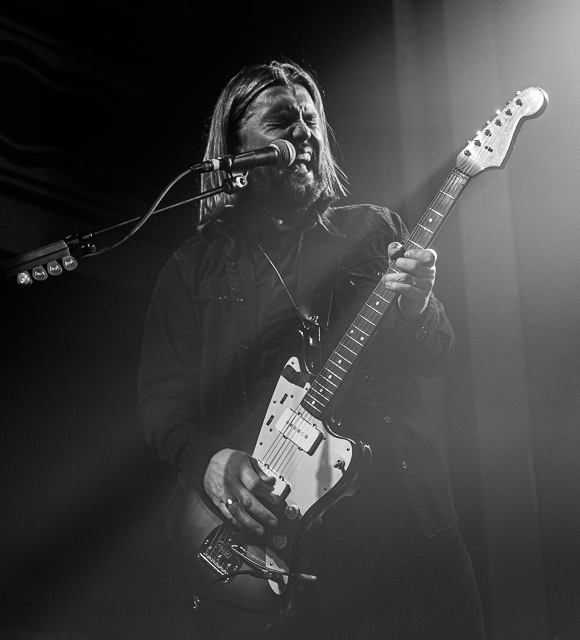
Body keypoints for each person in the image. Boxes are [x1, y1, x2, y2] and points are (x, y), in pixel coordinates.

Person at [138, 60, 484, 639]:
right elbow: (160, 405)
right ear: (234, 144)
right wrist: (211, 462)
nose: (303, 131)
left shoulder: (372, 230)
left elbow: (434, 356)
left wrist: (415, 305)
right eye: (281, 119)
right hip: (286, 543)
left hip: (407, 521)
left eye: (311, 118)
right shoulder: (195, 269)